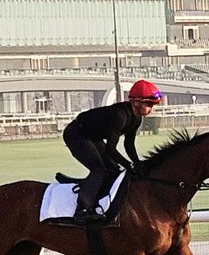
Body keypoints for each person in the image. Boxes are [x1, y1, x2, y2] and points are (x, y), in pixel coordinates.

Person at [60, 79, 164, 225]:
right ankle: (82, 209)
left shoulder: (136, 119)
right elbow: (110, 150)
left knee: (114, 169)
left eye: (152, 105)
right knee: (99, 169)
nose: (151, 109)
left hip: (92, 136)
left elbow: (129, 145)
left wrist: (137, 163)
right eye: (149, 104)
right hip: (76, 133)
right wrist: (128, 165)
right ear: (136, 102)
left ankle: (98, 200)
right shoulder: (120, 116)